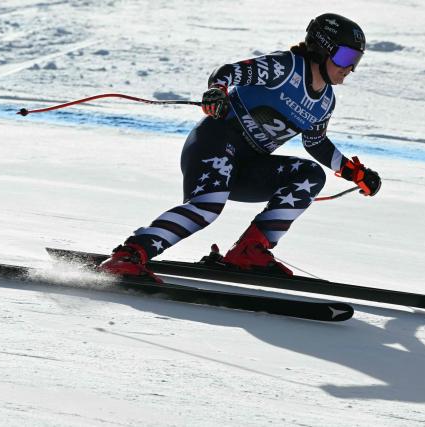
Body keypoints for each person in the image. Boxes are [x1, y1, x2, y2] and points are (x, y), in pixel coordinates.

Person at [99, 13, 381, 281]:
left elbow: (315, 142)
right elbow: (228, 72)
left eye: (356, 60)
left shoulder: (325, 102)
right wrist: (216, 91)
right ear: (321, 49)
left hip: (248, 166)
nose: (350, 68)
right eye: (345, 56)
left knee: (310, 175)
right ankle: (131, 253)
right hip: (216, 143)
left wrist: (353, 172)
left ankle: (249, 252)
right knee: (207, 207)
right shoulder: (285, 67)